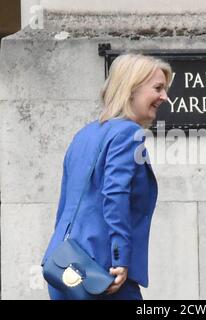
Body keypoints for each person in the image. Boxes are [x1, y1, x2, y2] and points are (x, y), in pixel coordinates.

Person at [41, 54, 172, 300]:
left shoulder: (85, 134)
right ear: (131, 89)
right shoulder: (127, 133)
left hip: (63, 268)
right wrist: (120, 258)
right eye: (158, 88)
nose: (164, 97)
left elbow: (66, 205)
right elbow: (115, 194)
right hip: (102, 276)